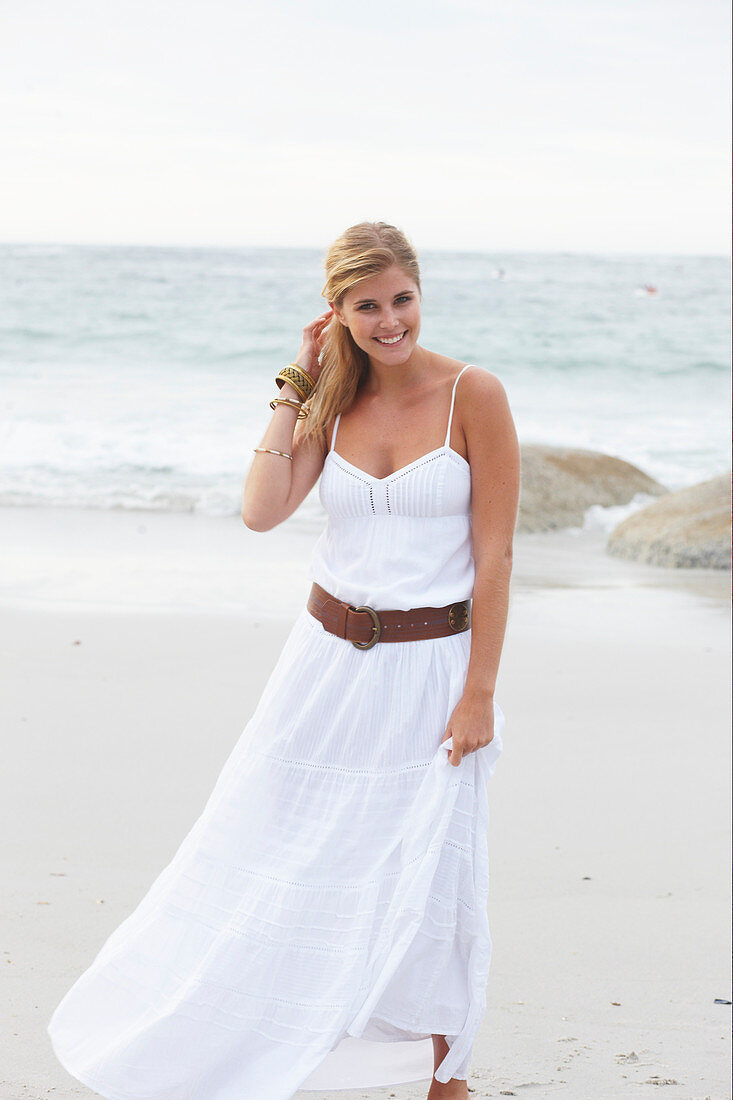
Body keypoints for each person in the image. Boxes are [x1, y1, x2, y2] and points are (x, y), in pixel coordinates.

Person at [47, 221, 520, 1100]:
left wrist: (478, 693)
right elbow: (262, 511)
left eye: (401, 300)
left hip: (431, 672)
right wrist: (294, 382)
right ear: (335, 313)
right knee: (280, 852)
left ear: (421, 292)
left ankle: (442, 1073)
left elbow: (493, 557)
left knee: (427, 869)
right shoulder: (331, 400)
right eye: (365, 306)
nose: (389, 322)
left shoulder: (472, 395)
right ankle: (246, 1054)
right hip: (322, 668)